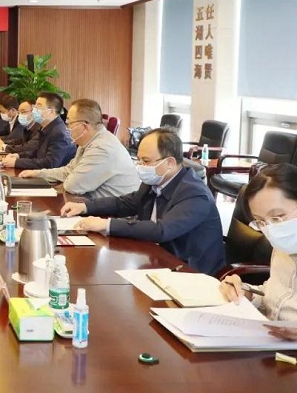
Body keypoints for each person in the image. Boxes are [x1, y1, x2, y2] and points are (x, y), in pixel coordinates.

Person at [61, 127, 224, 275]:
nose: (140, 166)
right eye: (138, 160)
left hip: (191, 273)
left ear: (170, 163)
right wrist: (85, 207)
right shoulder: (156, 180)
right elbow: (127, 203)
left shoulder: (195, 194)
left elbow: (162, 230)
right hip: (158, 259)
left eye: (145, 161)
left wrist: (107, 225)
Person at [220, 164, 297, 338]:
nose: (271, 229)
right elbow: (277, 297)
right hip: (270, 341)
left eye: (278, 217)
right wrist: (245, 293)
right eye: (260, 222)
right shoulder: (284, 246)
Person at [19, 98, 139, 198]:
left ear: (83, 127)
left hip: (113, 215)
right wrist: (38, 173)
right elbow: (69, 170)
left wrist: (67, 179)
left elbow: (73, 186)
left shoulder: (102, 148)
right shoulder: (87, 142)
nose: (67, 128)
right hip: (93, 205)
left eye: (69, 123)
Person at [2, 92, 76, 171]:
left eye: (39, 106)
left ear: (51, 111)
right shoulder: (46, 127)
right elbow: (38, 152)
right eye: (35, 106)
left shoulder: (59, 132)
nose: (34, 110)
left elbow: (50, 163)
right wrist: (18, 156)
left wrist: (17, 162)